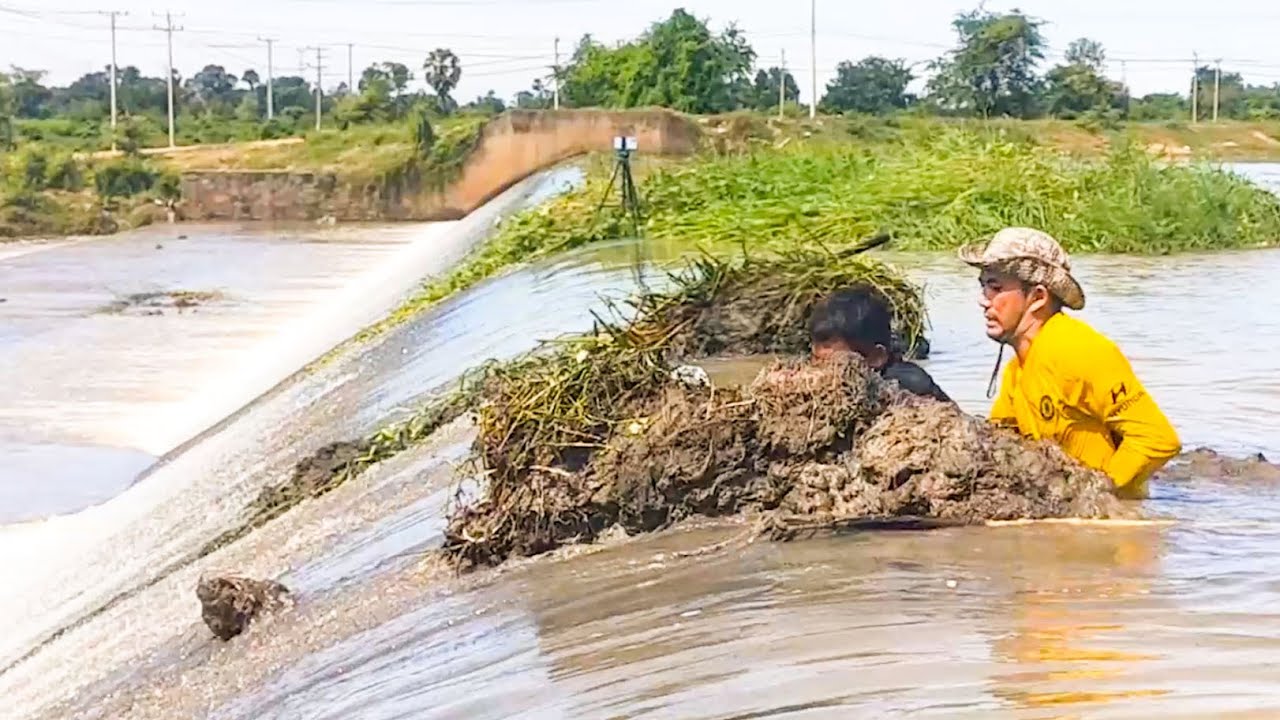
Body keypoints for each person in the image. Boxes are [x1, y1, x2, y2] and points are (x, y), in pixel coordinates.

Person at [958, 227, 1181, 498]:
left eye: (996, 287)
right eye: (983, 286)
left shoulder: (1078, 350)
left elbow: (1158, 438)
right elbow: (1000, 439)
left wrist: (1097, 493)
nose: (983, 300)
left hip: (1109, 525)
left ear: (1038, 297)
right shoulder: (1017, 369)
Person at [809, 286, 952, 403]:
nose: (825, 374)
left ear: (877, 357)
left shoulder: (911, 388)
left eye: (837, 365)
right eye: (817, 361)